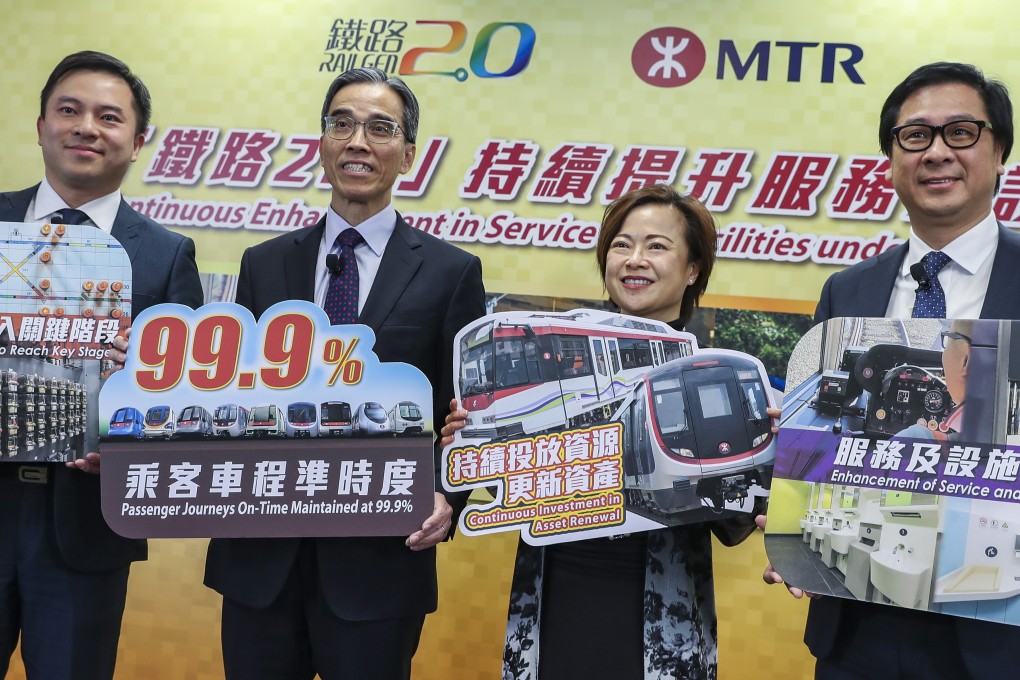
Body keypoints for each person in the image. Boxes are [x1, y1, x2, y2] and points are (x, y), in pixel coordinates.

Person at [203, 67, 485, 680]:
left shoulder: (450, 272)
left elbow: (469, 413)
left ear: (408, 154)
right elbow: (231, 395)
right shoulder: (265, 263)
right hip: (261, 558)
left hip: (379, 560)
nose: (358, 141)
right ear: (322, 144)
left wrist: (448, 495)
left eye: (380, 129)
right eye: (342, 124)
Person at [444, 184, 775, 680]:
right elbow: (510, 488)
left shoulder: (723, 370)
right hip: (555, 592)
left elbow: (733, 526)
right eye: (621, 245)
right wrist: (470, 443)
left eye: (657, 246)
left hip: (662, 613)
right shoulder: (559, 361)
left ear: (692, 270)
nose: (634, 259)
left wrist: (767, 466)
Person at [763, 62, 1020, 679]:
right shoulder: (848, 292)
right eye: (915, 136)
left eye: (961, 132)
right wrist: (793, 518)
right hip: (856, 618)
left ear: (1000, 149)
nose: (936, 152)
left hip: (999, 630)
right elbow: (820, 431)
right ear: (890, 157)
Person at [0, 51, 203, 679]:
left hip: (84, 524)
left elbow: (184, 406)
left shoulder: (168, 256)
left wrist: (131, 410)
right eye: (70, 110)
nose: (87, 127)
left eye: (109, 117)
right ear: (40, 126)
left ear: (138, 141)